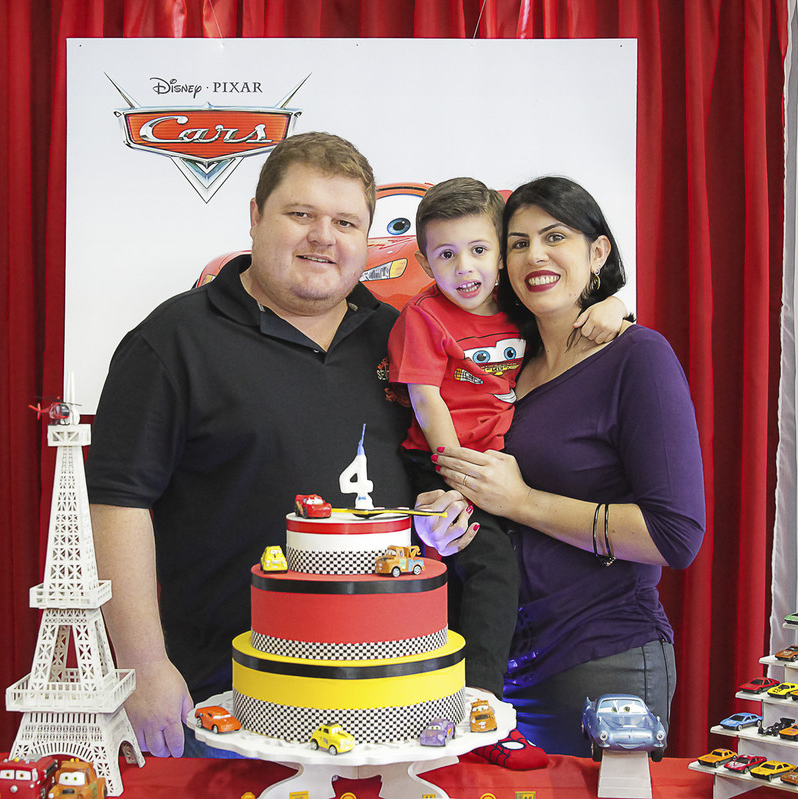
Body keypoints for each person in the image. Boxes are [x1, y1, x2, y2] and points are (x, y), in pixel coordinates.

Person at [85, 132, 414, 759]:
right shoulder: (173, 339)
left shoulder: (401, 340)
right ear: (256, 216)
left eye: (346, 222)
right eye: (301, 214)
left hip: (391, 695)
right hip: (227, 700)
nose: (324, 237)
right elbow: (117, 504)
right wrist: (144, 664)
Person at [414, 176, 705, 756]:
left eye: (555, 237)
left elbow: (674, 536)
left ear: (598, 252)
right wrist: (443, 518)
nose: (535, 256)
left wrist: (522, 501)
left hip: (601, 660)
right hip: (493, 674)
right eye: (518, 243)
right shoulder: (503, 359)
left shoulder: (636, 356)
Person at [388, 177, 625, 698]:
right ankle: (478, 694)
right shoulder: (424, 317)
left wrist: (613, 305)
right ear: (425, 263)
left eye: (478, 250)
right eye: (446, 255)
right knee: (490, 569)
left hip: (495, 466)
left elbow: (576, 315)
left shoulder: (516, 308)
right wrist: (455, 470)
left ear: (500, 255)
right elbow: (427, 401)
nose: (464, 268)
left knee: (489, 569)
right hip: (447, 464)